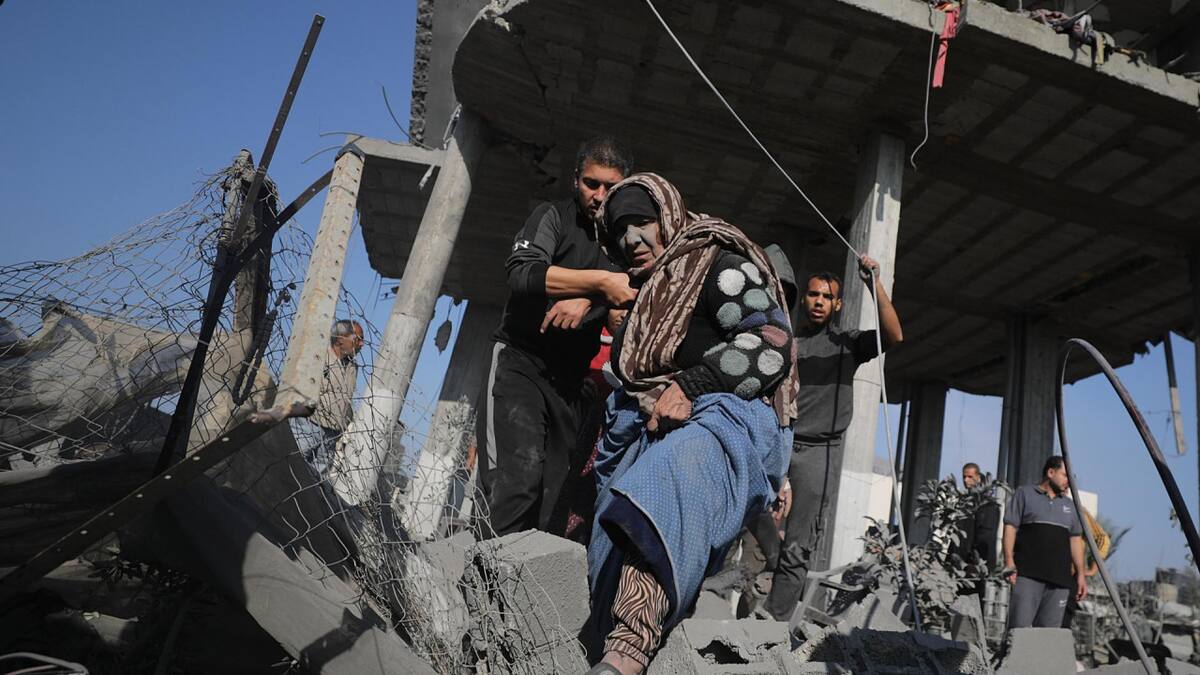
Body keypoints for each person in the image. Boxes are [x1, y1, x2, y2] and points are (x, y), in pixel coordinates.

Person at [585, 173, 798, 675]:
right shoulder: (648, 296)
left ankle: (627, 656)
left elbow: (772, 342)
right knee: (609, 549)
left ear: (669, 216)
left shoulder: (717, 265)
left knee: (666, 483)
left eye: (642, 223)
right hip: (645, 430)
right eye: (620, 232)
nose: (632, 240)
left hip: (720, 420)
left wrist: (694, 384)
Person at [477, 136, 637, 537]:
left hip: (570, 383)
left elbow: (633, 300)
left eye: (610, 187)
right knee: (518, 482)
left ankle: (519, 593)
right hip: (520, 363)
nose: (600, 196)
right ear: (575, 181)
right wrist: (598, 284)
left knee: (554, 500)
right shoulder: (553, 217)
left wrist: (591, 300)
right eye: (591, 183)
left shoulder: (625, 246)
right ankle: (477, 586)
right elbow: (524, 273)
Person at [761, 254, 903, 622]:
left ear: (838, 304)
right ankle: (765, 568)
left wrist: (874, 284)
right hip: (778, 442)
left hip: (819, 452)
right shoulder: (785, 342)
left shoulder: (848, 344)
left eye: (827, 296)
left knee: (798, 545)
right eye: (813, 294)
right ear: (803, 299)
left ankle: (772, 624)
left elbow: (894, 334)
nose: (819, 301)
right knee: (745, 511)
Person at [1003, 456, 1088, 629]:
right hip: (1027, 575)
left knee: (1048, 637)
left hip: (1060, 581)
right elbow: (1010, 528)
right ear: (1050, 472)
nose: (1069, 482)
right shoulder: (1024, 494)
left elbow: (1076, 540)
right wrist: (1009, 562)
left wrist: (1080, 574)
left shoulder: (1071, 506)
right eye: (1065, 476)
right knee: (1018, 631)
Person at [305, 319, 363, 476]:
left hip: (334, 431)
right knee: (296, 459)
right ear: (340, 339)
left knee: (318, 474)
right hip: (310, 424)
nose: (362, 344)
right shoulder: (320, 357)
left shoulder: (353, 367)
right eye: (357, 339)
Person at [951, 462, 1001, 598]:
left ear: (978, 477)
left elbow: (986, 538)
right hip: (960, 563)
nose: (966, 481)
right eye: (964, 477)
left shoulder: (988, 506)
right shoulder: (964, 504)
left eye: (970, 477)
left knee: (973, 602)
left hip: (975, 565)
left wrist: (977, 562)